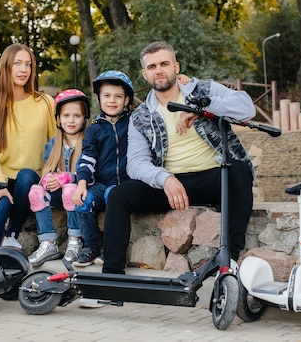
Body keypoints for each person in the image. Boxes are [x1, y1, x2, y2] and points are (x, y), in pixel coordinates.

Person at [102, 41, 256, 274]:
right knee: (119, 195)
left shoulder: (203, 90)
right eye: (152, 66)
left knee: (240, 171)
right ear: (145, 74)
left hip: (214, 177)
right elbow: (135, 163)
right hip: (172, 184)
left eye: (164, 64)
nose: (159, 70)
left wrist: (202, 108)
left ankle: (230, 260)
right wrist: (164, 178)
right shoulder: (140, 116)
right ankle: (111, 276)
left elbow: (247, 107)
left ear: (176, 67)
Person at [0, 43, 56, 257]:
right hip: (2, 178)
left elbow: (54, 143)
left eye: (28, 64)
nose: (24, 70)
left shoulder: (44, 103)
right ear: (6, 67)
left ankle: (11, 235)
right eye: (17, 63)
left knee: (25, 175)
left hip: (33, 179)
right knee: (2, 204)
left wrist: (54, 174)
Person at [68, 70, 133, 267]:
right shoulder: (94, 128)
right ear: (99, 98)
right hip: (100, 184)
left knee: (114, 198)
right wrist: (81, 184)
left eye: (118, 96)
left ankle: (109, 249)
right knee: (83, 200)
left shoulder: (132, 123)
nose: (112, 100)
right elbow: (87, 158)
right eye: (106, 95)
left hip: (123, 186)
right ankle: (90, 246)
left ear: (127, 99)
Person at [27, 89, 90, 266]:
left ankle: (75, 240)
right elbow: (47, 171)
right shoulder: (53, 144)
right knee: (36, 192)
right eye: (66, 115)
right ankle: (48, 243)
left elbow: (92, 175)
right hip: (58, 194)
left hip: (79, 194)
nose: (71, 120)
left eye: (77, 115)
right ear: (58, 119)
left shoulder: (88, 142)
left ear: (84, 118)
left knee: (70, 188)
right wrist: (49, 180)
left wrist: (68, 178)